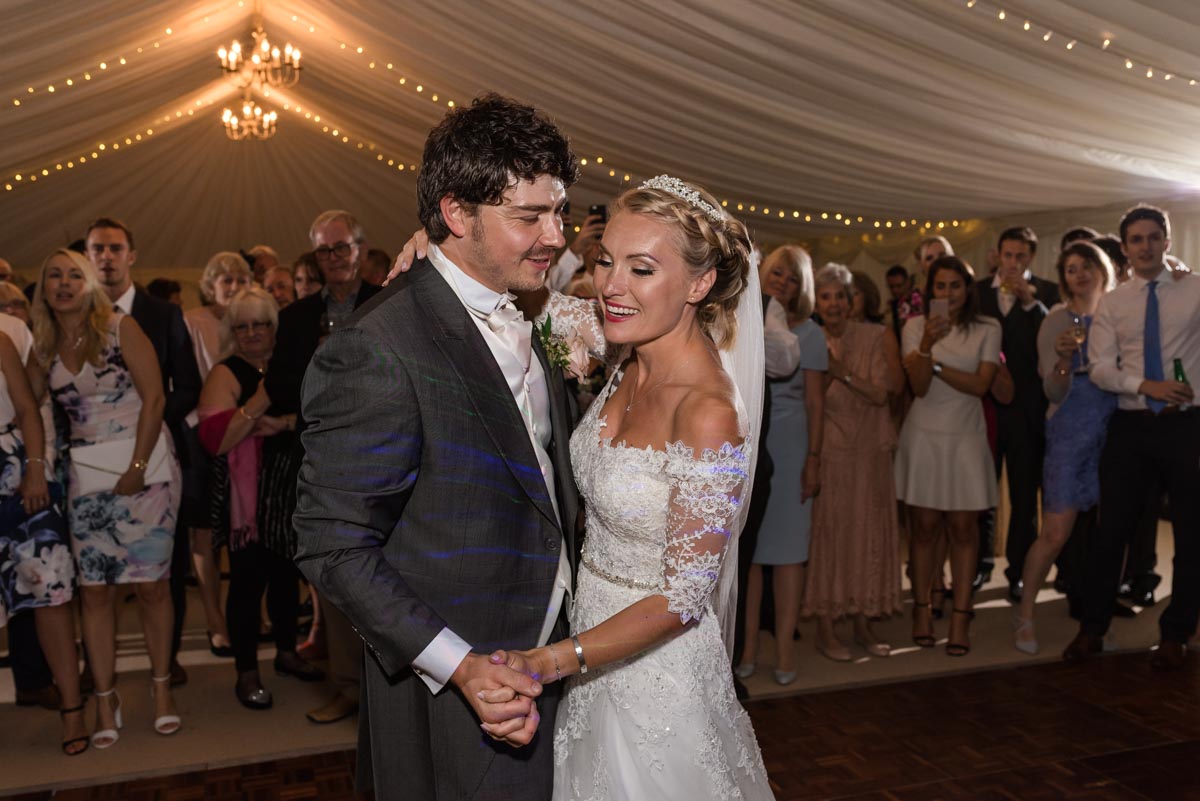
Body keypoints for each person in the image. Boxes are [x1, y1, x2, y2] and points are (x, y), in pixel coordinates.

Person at [293, 94, 578, 800]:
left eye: (559, 212)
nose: (557, 236)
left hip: (556, 661)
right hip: (454, 692)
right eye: (529, 217)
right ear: (457, 214)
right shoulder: (379, 345)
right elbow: (332, 542)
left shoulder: (529, 308)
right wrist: (460, 665)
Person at [29, 248, 184, 746]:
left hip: (147, 473)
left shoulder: (120, 326)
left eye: (75, 274)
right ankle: (105, 696)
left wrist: (138, 466)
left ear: (91, 283)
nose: (64, 283)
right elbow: (25, 403)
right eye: (54, 276)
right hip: (87, 482)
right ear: (44, 288)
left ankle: (162, 691)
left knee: (153, 588)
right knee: (94, 593)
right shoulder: (44, 344)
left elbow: (155, 397)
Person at [1064, 204, 1200, 670]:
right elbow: (1099, 369)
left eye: (1153, 237)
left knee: (1191, 534)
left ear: (1166, 242)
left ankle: (1177, 633)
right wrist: (1146, 386)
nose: (1145, 246)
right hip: (1132, 423)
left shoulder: (1195, 290)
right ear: (1124, 249)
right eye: (1136, 239)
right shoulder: (1114, 303)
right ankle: (1093, 628)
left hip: (1187, 425)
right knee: (1111, 532)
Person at [267, 210, 382, 726]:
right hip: (321, 464)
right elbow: (278, 388)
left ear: (359, 248)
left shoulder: (390, 301)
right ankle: (347, 687)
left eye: (341, 248)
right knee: (336, 581)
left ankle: (387, 697)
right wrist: (320, 363)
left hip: (385, 460)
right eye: (323, 252)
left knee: (387, 582)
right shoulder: (295, 318)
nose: (333, 259)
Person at [85, 218, 201, 687]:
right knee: (94, 570)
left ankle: (166, 659)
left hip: (155, 455)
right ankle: (96, 669)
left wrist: (143, 428)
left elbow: (188, 385)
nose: (107, 257)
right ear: (88, 256)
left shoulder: (163, 314)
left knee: (163, 568)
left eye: (115, 248)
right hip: (90, 461)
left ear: (131, 255)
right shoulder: (72, 315)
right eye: (98, 249)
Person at [198, 287, 323, 709]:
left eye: (261, 324)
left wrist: (285, 422)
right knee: (248, 584)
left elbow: (316, 419)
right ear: (232, 332)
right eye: (242, 326)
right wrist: (260, 401)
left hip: (294, 491)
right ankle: (246, 670)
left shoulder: (294, 364)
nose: (252, 333)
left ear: (276, 328)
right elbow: (217, 440)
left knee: (288, 577)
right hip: (248, 503)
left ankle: (287, 653)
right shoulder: (226, 372)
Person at [1013, 241, 1117, 653]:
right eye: (1071, 268)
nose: (1080, 274)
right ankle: (1023, 616)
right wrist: (1061, 361)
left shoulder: (1118, 314)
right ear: (1064, 278)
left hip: (1116, 430)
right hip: (1071, 432)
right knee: (1055, 533)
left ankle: (1097, 618)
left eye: (1087, 265)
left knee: (1111, 534)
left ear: (1102, 268)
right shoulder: (1056, 320)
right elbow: (1052, 390)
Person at [895, 256, 1000, 656]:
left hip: (966, 438)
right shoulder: (914, 327)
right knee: (922, 529)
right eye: (941, 286)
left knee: (963, 530)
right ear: (930, 290)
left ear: (968, 289)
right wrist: (924, 348)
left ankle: (961, 615)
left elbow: (980, 385)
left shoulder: (988, 328)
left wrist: (934, 362)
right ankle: (921, 609)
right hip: (924, 436)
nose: (949, 293)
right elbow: (918, 388)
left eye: (956, 285)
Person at [738, 244, 825, 685]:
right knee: (749, 555)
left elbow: (815, 402)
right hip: (751, 442)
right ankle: (748, 647)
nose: (783, 282)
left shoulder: (810, 333)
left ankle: (786, 650)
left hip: (792, 449)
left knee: (788, 556)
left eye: (793, 279)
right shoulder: (741, 312)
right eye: (778, 273)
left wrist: (814, 459)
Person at [804, 264, 901, 659]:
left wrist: (841, 373)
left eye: (841, 296)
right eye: (825, 296)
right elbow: (810, 402)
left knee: (869, 535)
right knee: (831, 537)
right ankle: (828, 628)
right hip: (829, 451)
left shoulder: (877, 336)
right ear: (816, 302)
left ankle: (864, 622)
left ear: (853, 300)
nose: (834, 304)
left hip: (871, 451)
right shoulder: (809, 339)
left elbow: (884, 394)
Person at [0, 312, 82, 755]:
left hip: (15, 473)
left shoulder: (0, 340)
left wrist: (35, 470)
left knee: (50, 590)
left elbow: (29, 410)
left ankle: (72, 710)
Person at [975, 227, 1060, 603]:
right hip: (984, 409)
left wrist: (1030, 304)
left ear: (1030, 257)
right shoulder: (977, 292)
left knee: (1025, 496)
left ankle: (1018, 573)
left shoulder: (1048, 292)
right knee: (982, 491)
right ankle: (979, 565)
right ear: (997, 254)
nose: (1012, 263)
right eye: (1007, 255)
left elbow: (1055, 344)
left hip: (1027, 410)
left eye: (1020, 256)